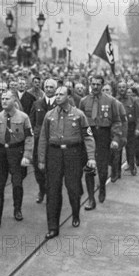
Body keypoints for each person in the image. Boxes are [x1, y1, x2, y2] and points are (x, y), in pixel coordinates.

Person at [38, 86, 96, 239]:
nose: (57, 97)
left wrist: (91, 158)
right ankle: (53, 227)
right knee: (53, 191)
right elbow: (43, 138)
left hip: (73, 154)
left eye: (60, 94)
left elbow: (88, 137)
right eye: (55, 94)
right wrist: (41, 159)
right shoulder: (49, 115)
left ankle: (75, 213)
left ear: (68, 97)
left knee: (73, 188)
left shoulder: (78, 115)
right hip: (54, 154)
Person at [0, 90, 33, 227]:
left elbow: (29, 137)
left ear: (14, 101)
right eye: (2, 99)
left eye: (7, 99)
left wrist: (27, 156)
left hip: (16, 151)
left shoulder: (23, 117)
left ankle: (17, 209)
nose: (4, 101)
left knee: (17, 182)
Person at [79, 75, 122, 208]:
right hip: (89, 136)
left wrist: (115, 138)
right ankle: (91, 199)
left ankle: (102, 186)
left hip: (104, 135)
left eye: (98, 84)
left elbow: (116, 121)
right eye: (93, 84)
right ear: (89, 84)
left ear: (102, 86)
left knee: (102, 169)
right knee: (89, 167)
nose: (95, 87)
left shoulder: (110, 101)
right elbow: (79, 121)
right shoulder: (84, 101)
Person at [28, 78, 58, 203]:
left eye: (51, 87)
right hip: (39, 141)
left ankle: (52, 192)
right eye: (47, 87)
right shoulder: (37, 104)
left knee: (53, 168)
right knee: (38, 168)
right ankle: (42, 189)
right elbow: (31, 123)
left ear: (55, 89)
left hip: (54, 142)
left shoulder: (59, 104)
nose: (49, 89)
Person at [116, 82, 139, 176]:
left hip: (130, 128)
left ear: (126, 88)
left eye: (123, 87)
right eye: (119, 87)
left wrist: (138, 128)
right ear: (117, 89)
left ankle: (132, 167)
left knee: (130, 149)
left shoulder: (133, 100)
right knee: (117, 151)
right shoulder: (114, 101)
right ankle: (117, 172)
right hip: (119, 128)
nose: (121, 89)